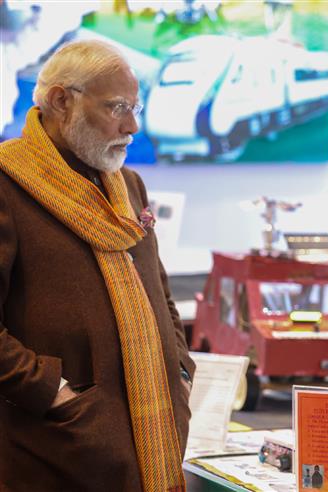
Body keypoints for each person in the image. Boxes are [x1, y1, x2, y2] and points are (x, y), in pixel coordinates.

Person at [0, 40, 194, 490]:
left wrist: (180, 371)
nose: (132, 125)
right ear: (60, 100)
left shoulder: (129, 185)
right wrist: (52, 391)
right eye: (117, 107)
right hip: (51, 455)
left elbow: (158, 292)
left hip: (147, 444)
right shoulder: (6, 186)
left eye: (137, 107)